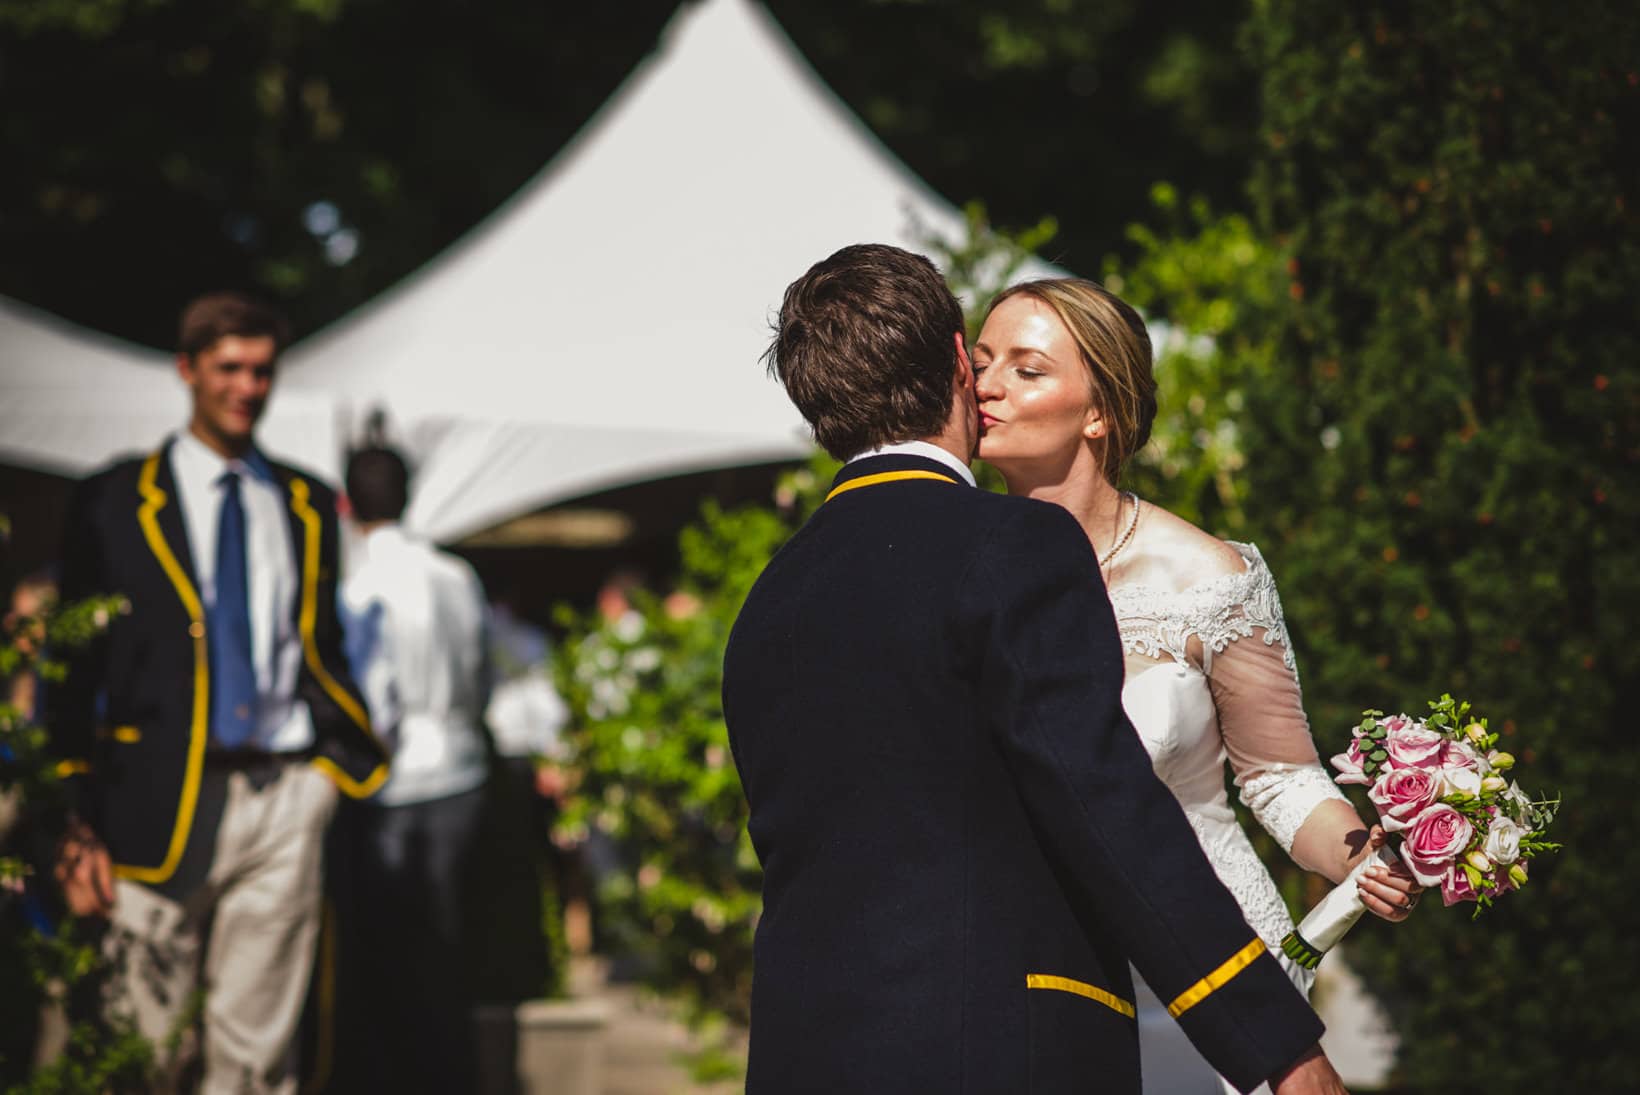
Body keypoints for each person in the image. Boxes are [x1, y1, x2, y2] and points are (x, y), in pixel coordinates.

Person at [723, 243, 1348, 1094]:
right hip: (990, 1045)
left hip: (805, 1052)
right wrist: (1278, 1044)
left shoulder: (771, 598)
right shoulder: (1015, 547)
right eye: (981, 361)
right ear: (954, 362)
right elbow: (1107, 807)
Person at [971, 277, 1422, 1092]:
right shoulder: (958, 573)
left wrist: (1358, 852)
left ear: (1099, 410)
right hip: (1039, 972)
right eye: (981, 361)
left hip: (1212, 962)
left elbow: (1279, 775)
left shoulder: (1207, 578)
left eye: (1026, 369)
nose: (987, 385)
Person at [46, 291, 386, 1094]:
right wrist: (69, 818)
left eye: (262, 371)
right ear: (188, 370)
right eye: (228, 368)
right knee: (146, 1052)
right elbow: (74, 671)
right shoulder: (115, 499)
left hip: (282, 796)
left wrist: (326, 779)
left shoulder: (304, 502)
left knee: (258, 1062)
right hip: (152, 801)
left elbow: (322, 647)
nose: (246, 387)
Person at [335, 441, 490, 1093]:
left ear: (347, 501)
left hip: (390, 781)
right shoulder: (456, 574)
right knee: (444, 946)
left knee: (385, 956)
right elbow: (481, 673)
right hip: (460, 766)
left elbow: (369, 693)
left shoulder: (353, 581)